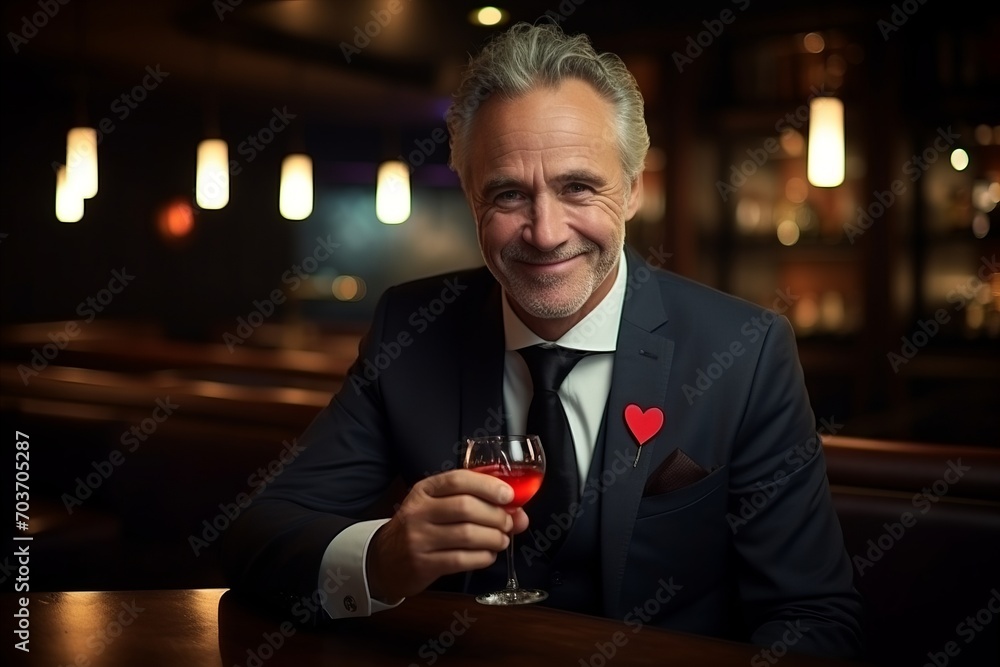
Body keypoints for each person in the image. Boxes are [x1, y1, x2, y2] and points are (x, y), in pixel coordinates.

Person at [221, 21, 864, 658]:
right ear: (472, 199)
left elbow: (813, 615)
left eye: (578, 187)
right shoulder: (409, 328)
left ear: (635, 190)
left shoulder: (746, 350)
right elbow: (258, 535)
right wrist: (383, 557)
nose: (546, 231)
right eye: (507, 194)